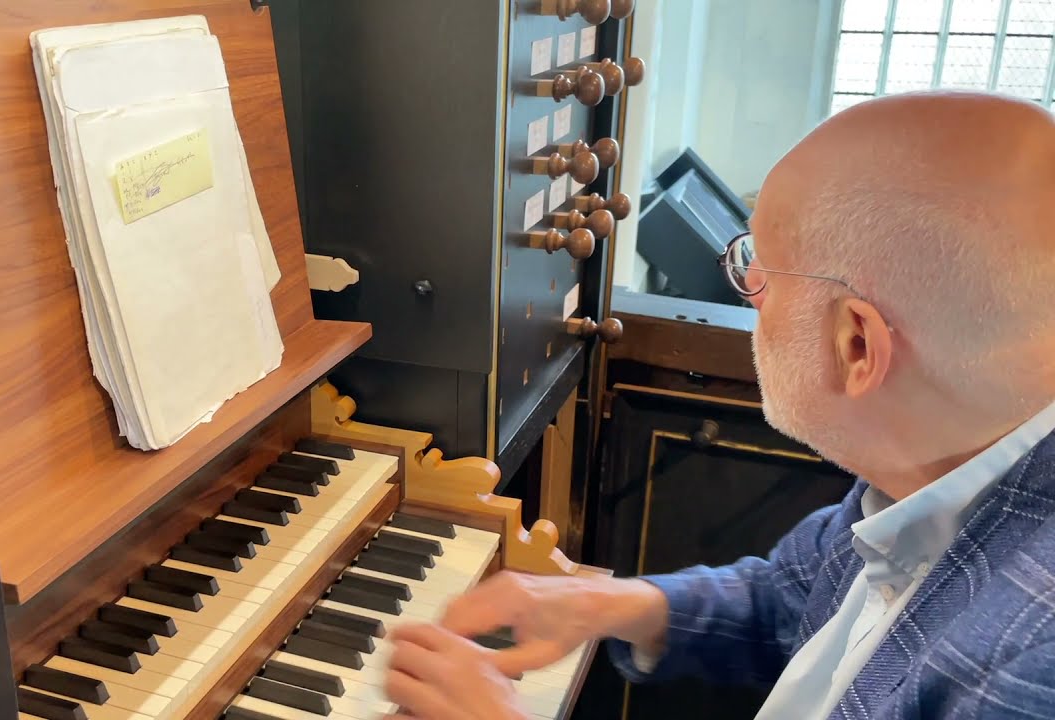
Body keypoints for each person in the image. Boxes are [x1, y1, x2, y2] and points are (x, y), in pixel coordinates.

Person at [380, 90, 1055, 719]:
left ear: (856, 345)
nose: (748, 286)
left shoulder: (1030, 669)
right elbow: (792, 596)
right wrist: (614, 603)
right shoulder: (942, 462)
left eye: (760, 264)